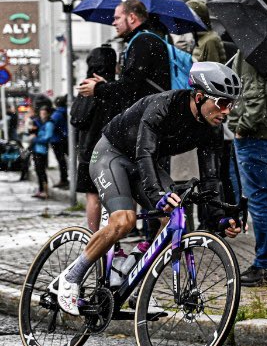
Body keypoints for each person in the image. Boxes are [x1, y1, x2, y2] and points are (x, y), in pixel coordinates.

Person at [52, 62, 243, 315]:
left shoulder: (212, 128)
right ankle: (70, 278)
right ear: (199, 97)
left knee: (175, 217)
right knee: (124, 221)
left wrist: (221, 217)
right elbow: (145, 152)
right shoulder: (163, 106)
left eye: (231, 104)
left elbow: (211, 179)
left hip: (143, 162)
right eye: (222, 103)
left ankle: (134, 279)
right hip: (112, 154)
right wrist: (158, 195)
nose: (226, 111)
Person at [229, 50, 267, 287]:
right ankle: (266, 263)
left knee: (258, 200)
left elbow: (254, 96)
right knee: (259, 198)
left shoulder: (251, 52)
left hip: (255, 135)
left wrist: (242, 127)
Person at [78, 0, 171, 112]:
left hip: (150, 113)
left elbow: (130, 85)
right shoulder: (147, 38)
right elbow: (136, 83)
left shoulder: (142, 41)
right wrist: (106, 85)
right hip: (153, 110)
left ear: (132, 17)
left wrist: (98, 88)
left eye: (117, 18)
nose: (114, 23)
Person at [73, 45, 119, 230]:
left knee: (92, 196)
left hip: (88, 150)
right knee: (117, 194)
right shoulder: (116, 88)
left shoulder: (87, 87)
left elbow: (77, 119)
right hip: (113, 148)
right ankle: (115, 238)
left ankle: (93, 237)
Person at [30, 105, 53, 198]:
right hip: (36, 149)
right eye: (41, 113)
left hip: (42, 150)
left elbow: (47, 138)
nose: (42, 115)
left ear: (48, 114)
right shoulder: (39, 123)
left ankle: (45, 191)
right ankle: (40, 190)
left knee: (41, 170)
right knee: (38, 171)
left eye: (44, 113)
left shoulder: (49, 124)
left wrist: (35, 139)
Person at [50, 96, 69, 189]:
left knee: (61, 161)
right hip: (65, 139)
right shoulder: (66, 112)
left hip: (57, 140)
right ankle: (67, 179)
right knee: (65, 160)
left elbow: (50, 127)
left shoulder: (56, 114)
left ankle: (64, 179)